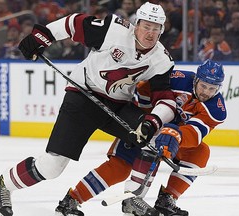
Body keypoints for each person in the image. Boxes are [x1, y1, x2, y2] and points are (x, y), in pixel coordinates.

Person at [0, 2, 176, 216]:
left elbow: (166, 100)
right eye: (146, 26)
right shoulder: (114, 30)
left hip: (117, 105)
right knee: (52, 166)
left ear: (162, 30)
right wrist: (42, 37)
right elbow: (73, 23)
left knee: (152, 139)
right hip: (82, 96)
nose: (150, 33)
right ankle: (1, 186)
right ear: (136, 24)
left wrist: (151, 123)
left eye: (156, 28)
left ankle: (133, 199)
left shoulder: (162, 59)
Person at [52, 59, 227, 216]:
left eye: (212, 89)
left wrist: (174, 135)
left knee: (200, 151)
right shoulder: (177, 79)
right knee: (119, 168)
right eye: (203, 86)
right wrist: (145, 117)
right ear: (196, 80)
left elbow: (196, 132)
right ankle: (72, 199)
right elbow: (144, 87)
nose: (206, 92)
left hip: (171, 137)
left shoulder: (216, 108)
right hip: (144, 127)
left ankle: (166, 199)